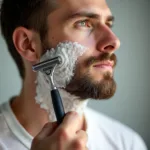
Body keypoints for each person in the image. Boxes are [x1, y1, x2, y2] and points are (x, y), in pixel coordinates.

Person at [0, 0, 148, 149]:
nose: (114, 41)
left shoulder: (128, 143)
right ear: (28, 44)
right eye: (84, 23)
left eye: (108, 24)